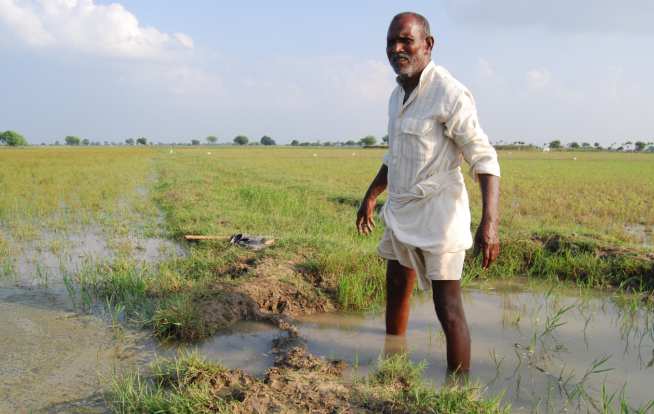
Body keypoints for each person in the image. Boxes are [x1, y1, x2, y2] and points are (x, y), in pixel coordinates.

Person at [356, 11, 501, 375]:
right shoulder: (396, 95)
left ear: (428, 44)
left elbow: (483, 157)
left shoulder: (449, 93)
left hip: (440, 213)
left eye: (406, 40)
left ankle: (458, 390)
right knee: (395, 284)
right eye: (392, 41)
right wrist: (371, 195)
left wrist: (490, 224)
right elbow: (395, 156)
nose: (397, 48)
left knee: (447, 306)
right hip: (402, 207)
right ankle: (393, 364)